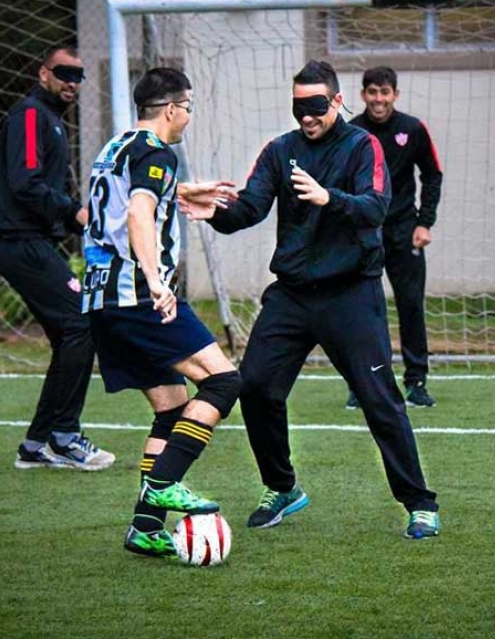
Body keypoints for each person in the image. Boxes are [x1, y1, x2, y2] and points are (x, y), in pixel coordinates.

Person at [187, 60, 440, 539]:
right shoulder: (280, 151)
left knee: (378, 399)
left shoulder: (363, 146)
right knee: (256, 386)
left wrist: (330, 198)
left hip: (351, 296)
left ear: (338, 102)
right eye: (299, 107)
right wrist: (216, 211)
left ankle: (419, 503)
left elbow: (376, 208)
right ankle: (281, 486)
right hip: (292, 296)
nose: (307, 117)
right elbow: (251, 207)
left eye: (317, 107)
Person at [81, 67, 242, 557]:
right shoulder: (157, 152)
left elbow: (120, 202)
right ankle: (164, 484)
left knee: (171, 407)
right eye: (188, 106)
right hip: (137, 296)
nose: (189, 115)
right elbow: (136, 212)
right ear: (172, 108)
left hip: (101, 299)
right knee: (224, 381)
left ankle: (145, 528)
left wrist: (188, 191)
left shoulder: (118, 147)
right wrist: (155, 280)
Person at [0, 45, 114, 472]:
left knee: (68, 335)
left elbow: (41, 194)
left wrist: (83, 222)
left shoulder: (53, 120)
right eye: (64, 74)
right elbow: (26, 184)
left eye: (79, 76)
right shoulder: (31, 115)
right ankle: (64, 437)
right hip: (16, 240)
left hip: (27, 239)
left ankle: (37, 445)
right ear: (44, 73)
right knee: (81, 322)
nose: (73, 82)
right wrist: (74, 211)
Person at [345, 66, 443, 411]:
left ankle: (416, 382)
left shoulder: (412, 129)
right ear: (363, 95)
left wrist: (424, 223)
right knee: (362, 309)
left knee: (410, 305)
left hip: (404, 230)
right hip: (364, 232)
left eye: (385, 92)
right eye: (372, 92)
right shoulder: (351, 132)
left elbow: (432, 175)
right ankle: (362, 384)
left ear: (395, 95)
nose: (378, 99)